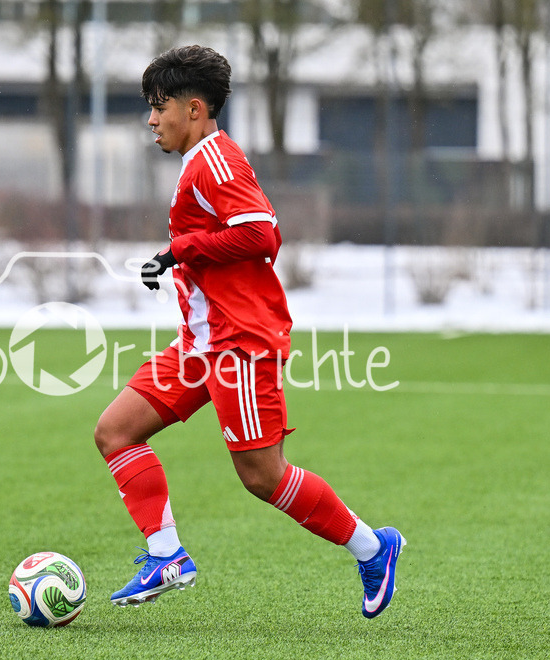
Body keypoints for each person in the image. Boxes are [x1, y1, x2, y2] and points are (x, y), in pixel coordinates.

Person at [94, 45, 405, 619]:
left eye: (159, 106)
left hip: (239, 343)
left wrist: (182, 249)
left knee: (262, 477)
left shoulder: (215, 160)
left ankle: (373, 547)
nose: (151, 119)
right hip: (201, 344)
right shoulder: (201, 162)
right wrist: (173, 259)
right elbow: (229, 237)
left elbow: (262, 233)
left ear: (194, 108)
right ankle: (166, 556)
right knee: (116, 432)